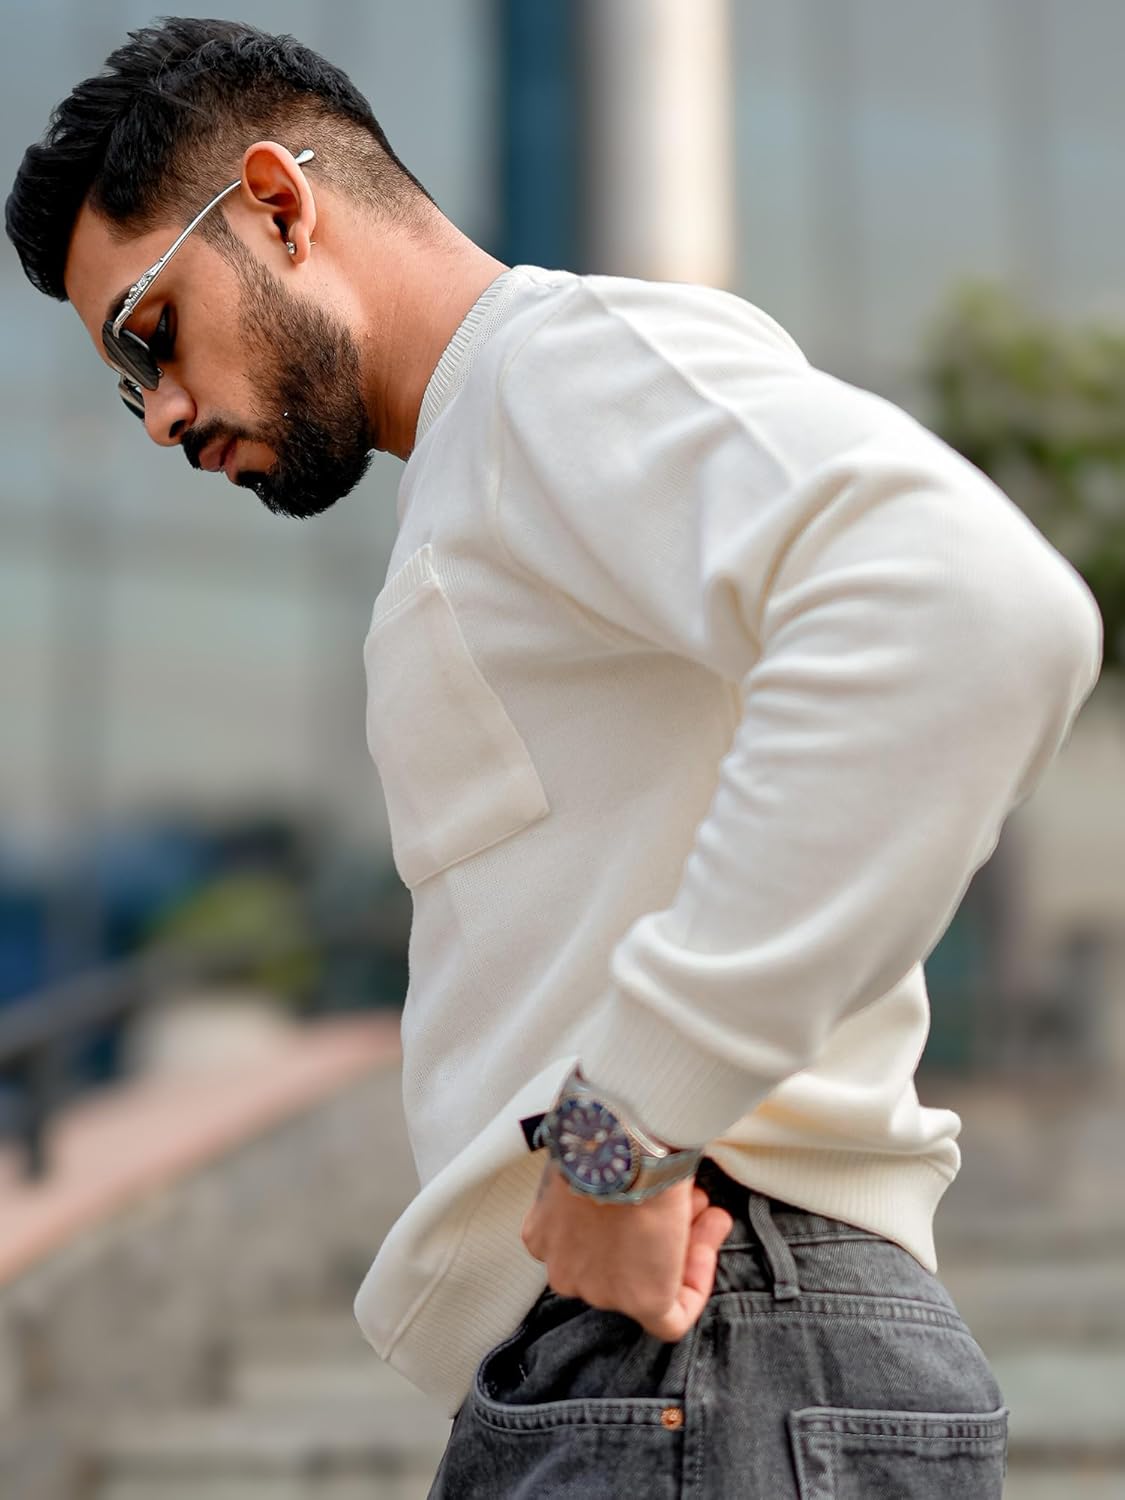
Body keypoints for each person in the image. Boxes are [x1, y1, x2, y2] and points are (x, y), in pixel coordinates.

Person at [7, 19, 1102, 1497]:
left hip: (707, 1339)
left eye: (151, 332)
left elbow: (970, 609)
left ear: (276, 204)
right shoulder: (483, 458)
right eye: (123, 381)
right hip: (667, 1360)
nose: (161, 415)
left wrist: (619, 1132)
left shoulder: (553, 370)